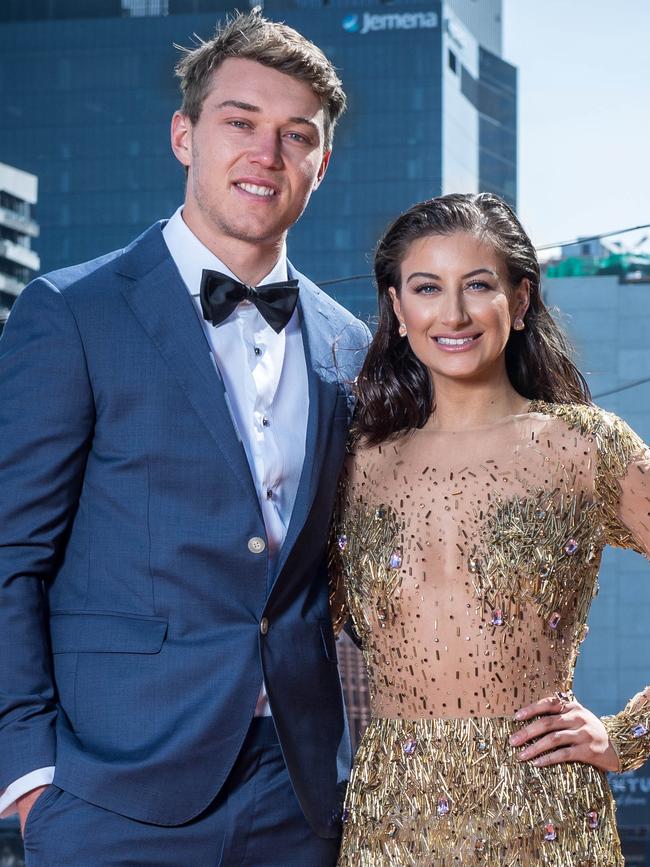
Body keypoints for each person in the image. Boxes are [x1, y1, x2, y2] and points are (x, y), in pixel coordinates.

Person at [0, 9, 369, 866]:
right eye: (239, 121)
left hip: (300, 791)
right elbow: (11, 551)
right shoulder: (73, 312)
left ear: (321, 161)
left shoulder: (353, 343)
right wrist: (26, 769)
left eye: (295, 135)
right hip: (110, 788)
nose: (265, 153)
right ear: (183, 134)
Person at [330, 192, 650, 865]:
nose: (452, 313)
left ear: (522, 298)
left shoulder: (585, 446)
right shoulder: (352, 460)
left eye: (478, 285)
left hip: (547, 814)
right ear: (396, 305)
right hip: (391, 819)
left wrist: (628, 735)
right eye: (427, 287)